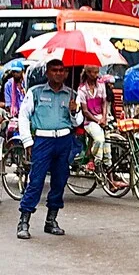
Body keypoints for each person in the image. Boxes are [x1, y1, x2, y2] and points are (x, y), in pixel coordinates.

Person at [16, 59, 83, 239]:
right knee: (36, 181)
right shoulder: (35, 92)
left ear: (66, 74)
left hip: (64, 140)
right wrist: (27, 141)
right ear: (47, 73)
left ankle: (51, 220)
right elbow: (23, 116)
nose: (59, 73)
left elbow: (78, 123)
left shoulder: (71, 95)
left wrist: (75, 111)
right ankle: (24, 220)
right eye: (54, 70)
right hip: (42, 141)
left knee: (59, 182)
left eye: (62, 70)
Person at [77, 66, 112, 173]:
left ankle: (107, 166)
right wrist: (97, 121)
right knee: (99, 139)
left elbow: (104, 103)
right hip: (90, 121)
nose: (96, 75)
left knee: (108, 144)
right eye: (93, 73)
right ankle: (95, 159)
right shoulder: (82, 89)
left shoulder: (101, 85)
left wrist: (104, 117)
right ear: (87, 73)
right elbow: (85, 111)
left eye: (97, 72)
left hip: (102, 118)